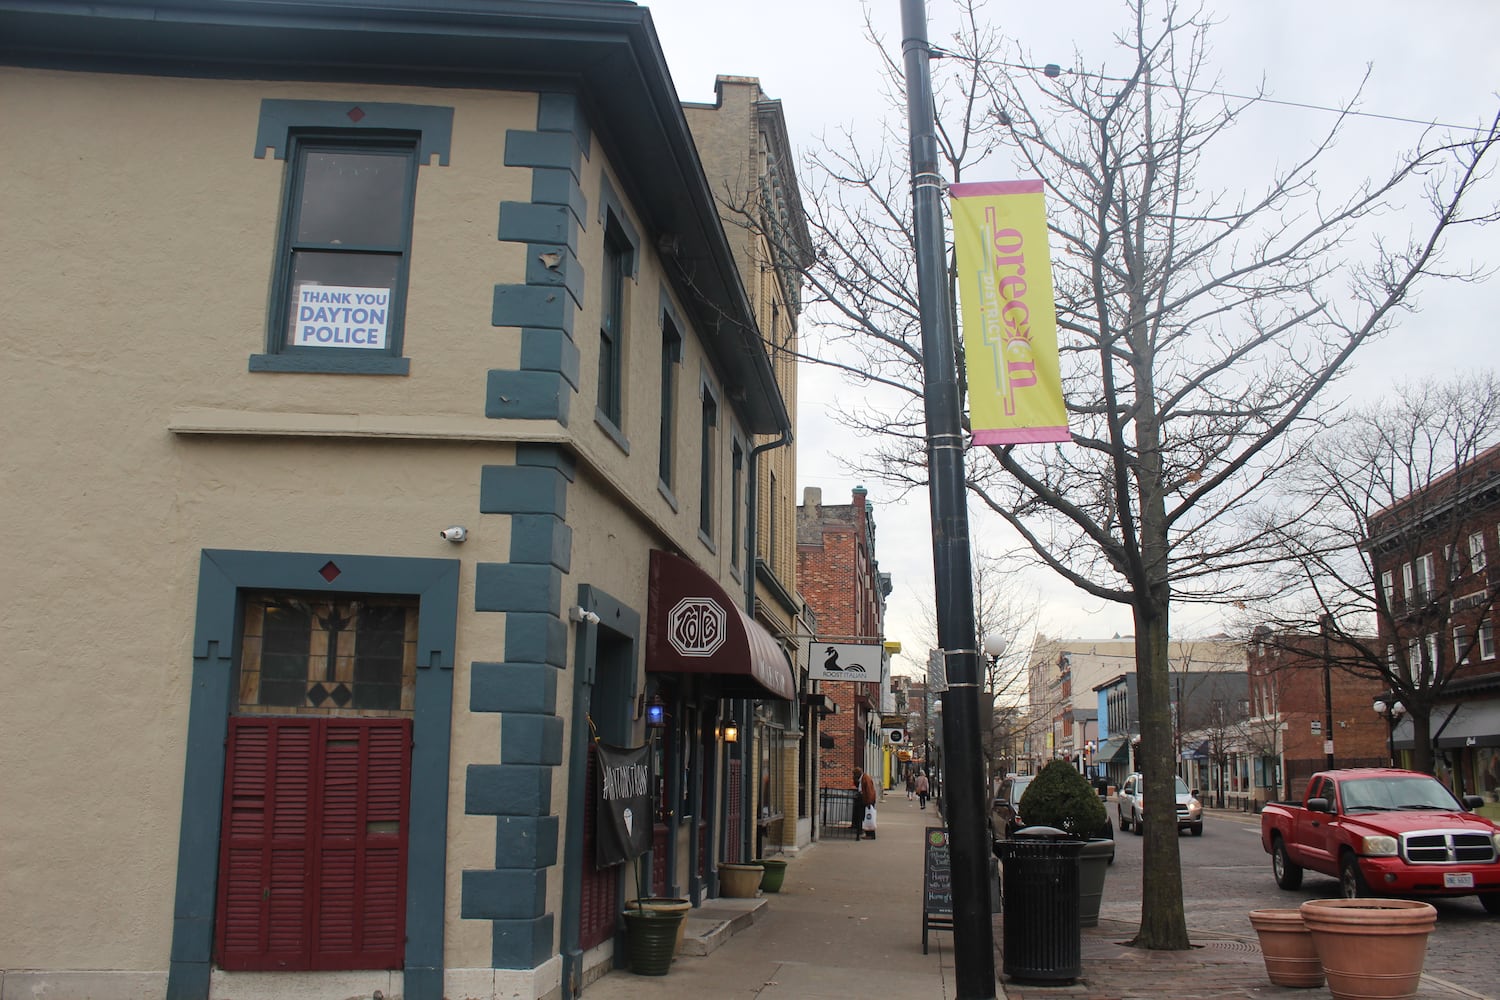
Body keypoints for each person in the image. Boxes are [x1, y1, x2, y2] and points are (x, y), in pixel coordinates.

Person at [853, 766, 878, 839]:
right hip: (866, 800)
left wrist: (869, 803)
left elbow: (869, 791)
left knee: (869, 817)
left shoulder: (865, 779)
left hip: (868, 801)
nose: (854, 776)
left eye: (855, 774)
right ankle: (869, 834)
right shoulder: (862, 778)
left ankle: (870, 834)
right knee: (866, 817)